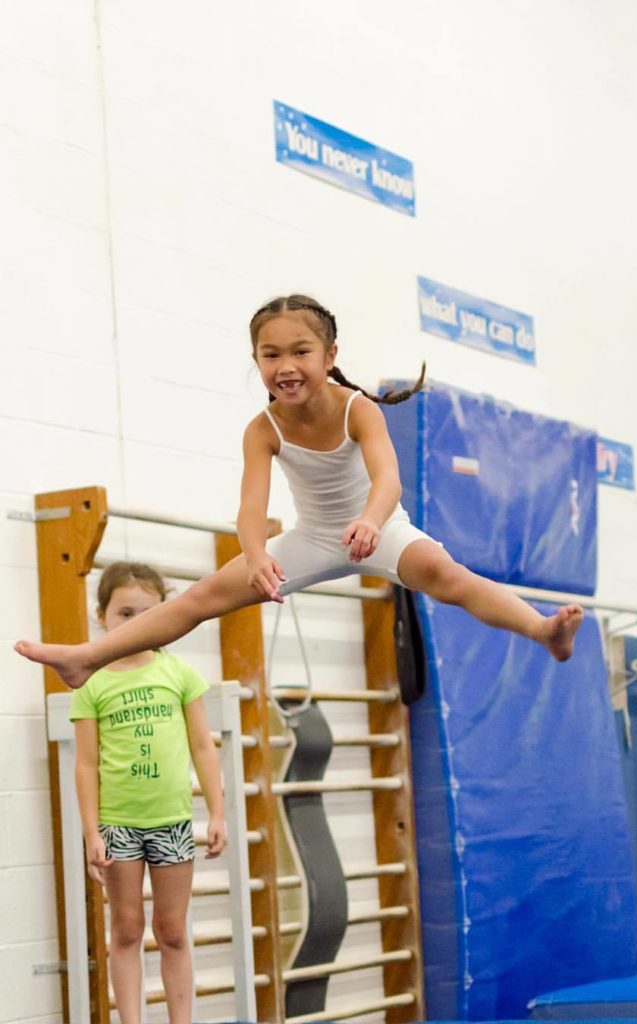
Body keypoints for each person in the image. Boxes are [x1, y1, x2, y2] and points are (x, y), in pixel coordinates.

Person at [15, 294, 583, 689]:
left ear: (330, 356)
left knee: (446, 575)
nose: (286, 366)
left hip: (378, 529)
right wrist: (258, 556)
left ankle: (541, 629)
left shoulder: (357, 410)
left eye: (300, 351)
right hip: (312, 537)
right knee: (198, 599)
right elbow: (251, 508)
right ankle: (87, 658)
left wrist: (368, 520)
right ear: (257, 361)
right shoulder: (263, 430)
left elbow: (387, 479)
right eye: (270, 355)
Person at [71, 562, 226, 1024]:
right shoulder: (92, 681)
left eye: (149, 613)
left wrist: (217, 812)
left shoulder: (178, 674)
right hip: (118, 823)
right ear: (102, 615)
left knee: (173, 930)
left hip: (172, 821)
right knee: (126, 929)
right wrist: (90, 833)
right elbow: (86, 764)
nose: (137, 622)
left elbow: (203, 746)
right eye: (125, 613)